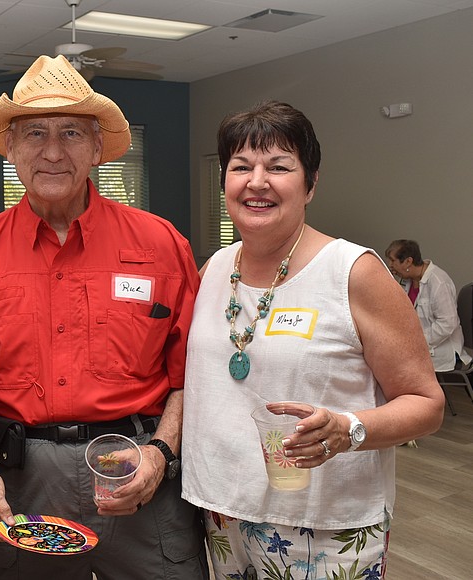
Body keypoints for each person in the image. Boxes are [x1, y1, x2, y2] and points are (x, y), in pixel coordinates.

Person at [0, 55, 208, 579]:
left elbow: (191, 374)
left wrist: (161, 454)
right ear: (10, 147)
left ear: (98, 148)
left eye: (72, 133)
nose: (53, 152)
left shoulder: (161, 245)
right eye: (35, 133)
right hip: (23, 482)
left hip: (141, 469)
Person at [181, 101, 445, 578]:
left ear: (311, 183)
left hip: (323, 525)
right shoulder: (214, 268)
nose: (257, 182)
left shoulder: (353, 272)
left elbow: (427, 403)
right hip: (222, 512)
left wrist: (348, 429)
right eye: (241, 166)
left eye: (279, 166)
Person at [385, 239, 471, 372]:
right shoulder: (407, 281)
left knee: (390, 363)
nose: (390, 265)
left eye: (392, 260)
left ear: (408, 261)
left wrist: (417, 341)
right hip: (415, 343)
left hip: (439, 349)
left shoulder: (438, 282)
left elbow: (448, 323)